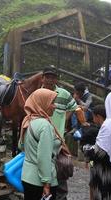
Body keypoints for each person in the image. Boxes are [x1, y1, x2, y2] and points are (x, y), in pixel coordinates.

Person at [41, 66, 78, 200]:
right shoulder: (38, 94)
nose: (50, 80)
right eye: (47, 76)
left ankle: (61, 196)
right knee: (43, 169)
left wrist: (64, 119)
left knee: (59, 170)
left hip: (58, 140)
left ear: (56, 79)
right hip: (41, 138)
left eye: (53, 77)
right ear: (42, 78)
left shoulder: (63, 93)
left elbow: (73, 107)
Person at [19, 88, 61, 200]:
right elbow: (44, 157)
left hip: (27, 177)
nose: (55, 106)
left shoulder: (28, 120)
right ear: (42, 103)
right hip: (40, 181)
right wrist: (46, 183)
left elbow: (21, 146)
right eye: (52, 102)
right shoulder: (45, 126)